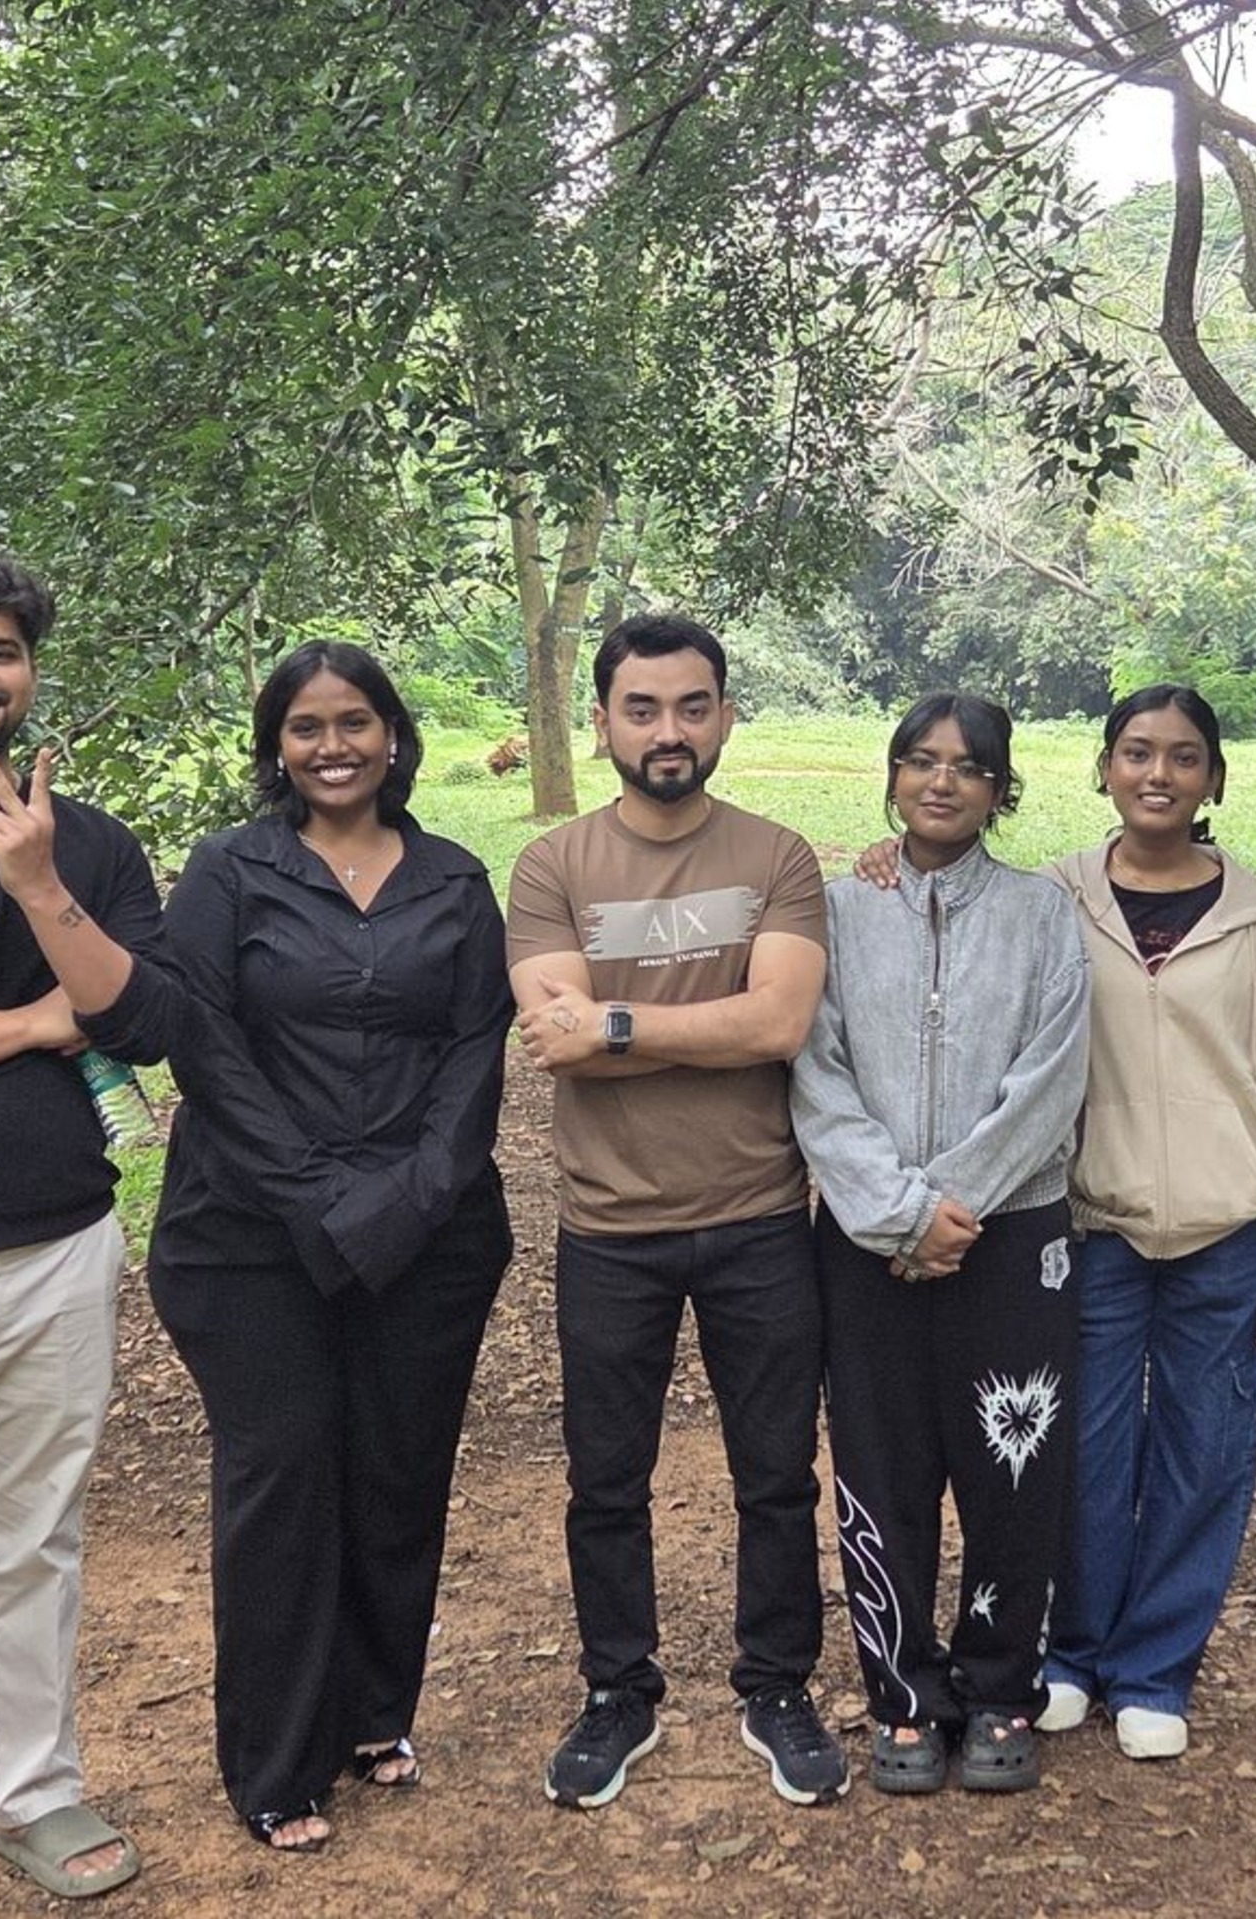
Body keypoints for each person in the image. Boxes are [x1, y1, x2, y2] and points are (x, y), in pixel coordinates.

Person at [148, 642, 513, 1852]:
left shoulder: (455, 880)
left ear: (393, 736)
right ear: (278, 747)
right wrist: (318, 1197)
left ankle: (372, 1713)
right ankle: (276, 1760)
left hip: (429, 1234)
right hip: (248, 1236)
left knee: (398, 1473)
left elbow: (476, 1049)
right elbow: (204, 1046)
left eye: (355, 721)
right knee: (285, 1475)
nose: (333, 745)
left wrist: (412, 1198)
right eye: (306, 727)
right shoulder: (229, 872)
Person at [507, 613, 848, 1811]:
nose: (669, 731)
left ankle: (778, 1686)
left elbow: (780, 1024)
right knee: (607, 1481)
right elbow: (554, 1042)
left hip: (761, 1216)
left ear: (725, 717)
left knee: (777, 1476)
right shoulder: (553, 866)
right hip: (610, 1229)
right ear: (601, 720)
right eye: (643, 709)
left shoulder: (778, 857)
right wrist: (698, 1029)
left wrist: (614, 1023)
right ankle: (619, 1690)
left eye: (693, 707)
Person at [791, 694, 1090, 1796]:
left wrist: (951, 1203)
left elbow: (1053, 1077)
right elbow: (814, 1071)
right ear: (892, 776)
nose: (942, 781)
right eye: (920, 760)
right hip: (868, 1245)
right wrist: (898, 1212)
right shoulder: (837, 911)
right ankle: (905, 1696)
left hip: (1010, 1241)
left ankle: (1002, 1684)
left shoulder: (1042, 913)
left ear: (1000, 790)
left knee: (1015, 1472)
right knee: (882, 1470)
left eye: (968, 766)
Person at [1036, 685, 1256, 1762]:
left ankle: (1156, 1668)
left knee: (1204, 1452)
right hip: (1097, 1226)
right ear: (1104, 768)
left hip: (1228, 1235)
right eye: (1135, 752)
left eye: (1181, 756)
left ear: (1212, 776)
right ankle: (1072, 1654)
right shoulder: (1056, 899)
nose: (1156, 774)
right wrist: (890, 860)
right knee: (1083, 1449)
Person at [0, 541, 177, 1899]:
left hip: (53, 1246)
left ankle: (33, 1792)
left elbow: (141, 1018)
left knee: (32, 1540)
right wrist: (34, 1022)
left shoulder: (85, 843)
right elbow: (79, 1013)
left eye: (2, 650)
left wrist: (38, 887)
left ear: (31, 673)